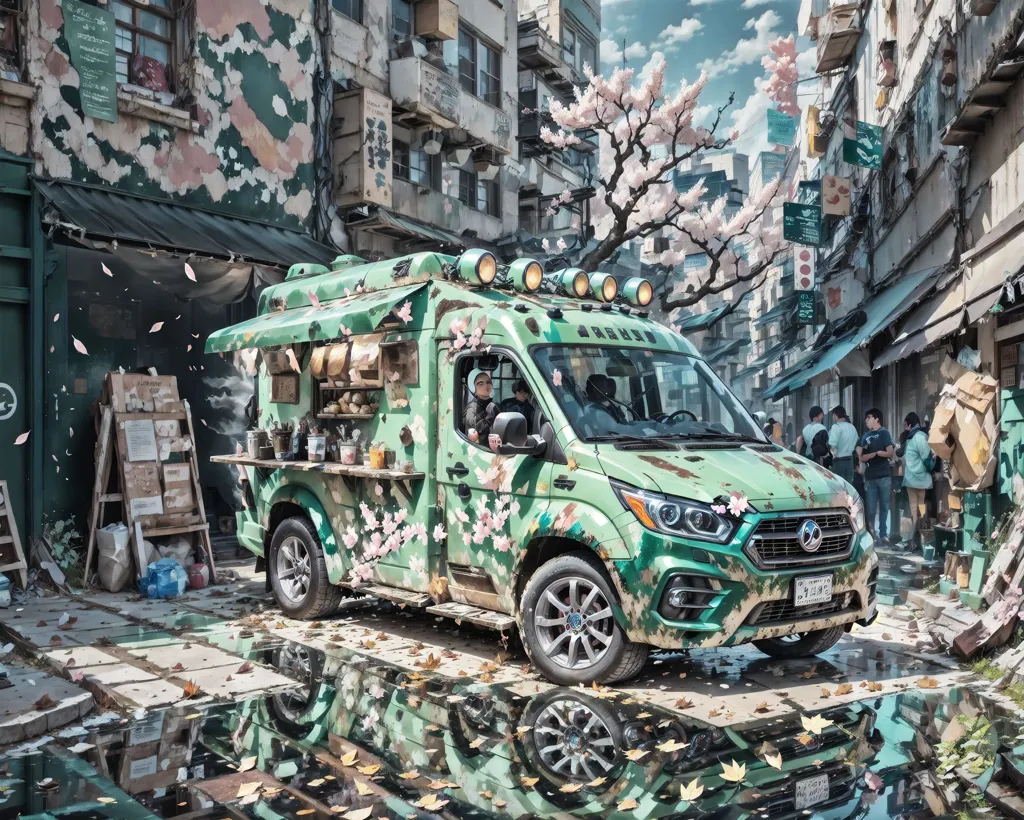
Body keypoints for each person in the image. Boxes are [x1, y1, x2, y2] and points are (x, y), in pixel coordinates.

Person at [857, 408, 895, 545]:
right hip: (870, 477)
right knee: (871, 508)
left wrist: (878, 453)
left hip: (884, 475)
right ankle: (872, 533)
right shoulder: (865, 436)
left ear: (876, 419)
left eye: (869, 417)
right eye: (866, 418)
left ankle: (884, 534)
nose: (866, 420)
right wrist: (874, 454)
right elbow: (862, 457)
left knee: (884, 507)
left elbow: (890, 453)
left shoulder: (884, 434)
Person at [901, 411, 934, 550]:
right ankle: (920, 537)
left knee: (914, 508)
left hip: (910, 479)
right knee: (921, 507)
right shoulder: (921, 437)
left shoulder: (909, 438)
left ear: (909, 424)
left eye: (905, 425)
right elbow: (927, 458)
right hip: (921, 480)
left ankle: (913, 538)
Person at [464, 369, 498, 443]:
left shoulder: (492, 405)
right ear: (474, 388)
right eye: (480, 384)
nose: (486, 386)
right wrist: (490, 415)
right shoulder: (472, 409)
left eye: (489, 382)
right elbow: (477, 433)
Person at [828, 405, 859, 484]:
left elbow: (832, 445)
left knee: (839, 488)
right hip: (850, 462)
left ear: (835, 415)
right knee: (849, 487)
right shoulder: (852, 427)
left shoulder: (836, 427)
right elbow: (857, 443)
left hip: (839, 462)